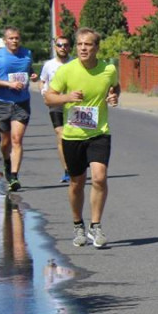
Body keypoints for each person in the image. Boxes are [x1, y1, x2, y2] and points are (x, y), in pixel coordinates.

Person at [45, 27, 121, 248]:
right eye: (79, 44)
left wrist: (114, 96)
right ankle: (78, 225)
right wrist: (68, 97)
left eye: (88, 44)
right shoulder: (66, 71)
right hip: (73, 135)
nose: (83, 48)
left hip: (99, 133)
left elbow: (115, 86)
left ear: (96, 47)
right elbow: (49, 98)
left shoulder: (108, 69)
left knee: (99, 177)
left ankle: (95, 226)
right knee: (77, 183)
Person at [0, 27, 38, 191]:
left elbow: (29, 70)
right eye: (11, 38)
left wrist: (33, 75)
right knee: (6, 141)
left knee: (17, 139)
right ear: (5, 40)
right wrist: (9, 84)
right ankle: (7, 162)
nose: (14, 41)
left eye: (17, 38)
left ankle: (14, 176)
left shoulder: (27, 54)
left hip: (21, 102)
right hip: (2, 102)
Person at [41, 36, 74, 182]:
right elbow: (43, 81)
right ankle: (67, 170)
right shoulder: (49, 65)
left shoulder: (75, 63)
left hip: (73, 104)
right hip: (56, 104)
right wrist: (44, 93)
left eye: (66, 45)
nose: (63, 48)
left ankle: (77, 163)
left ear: (70, 47)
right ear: (55, 47)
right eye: (60, 45)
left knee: (75, 137)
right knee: (60, 134)